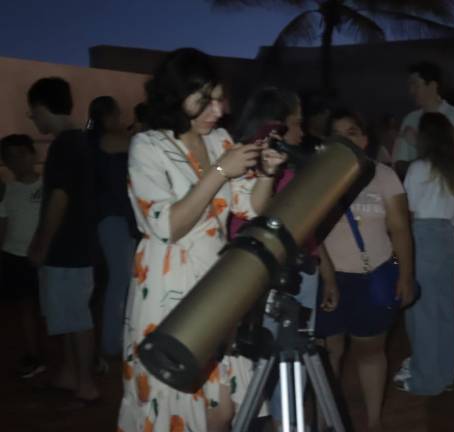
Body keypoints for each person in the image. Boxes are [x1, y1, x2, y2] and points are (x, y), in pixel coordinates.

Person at [118, 48, 277, 431]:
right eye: (204, 100)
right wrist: (220, 172)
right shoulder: (149, 146)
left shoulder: (220, 139)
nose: (218, 110)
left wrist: (268, 173)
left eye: (219, 99)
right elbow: (166, 225)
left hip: (215, 278)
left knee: (223, 407)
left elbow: (251, 207)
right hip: (167, 283)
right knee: (180, 403)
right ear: (175, 96)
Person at [229, 86, 336, 430]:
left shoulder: (293, 163)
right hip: (261, 276)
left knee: (297, 365)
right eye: (296, 122)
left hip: (301, 271)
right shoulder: (243, 165)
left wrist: (325, 272)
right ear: (275, 124)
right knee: (258, 365)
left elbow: (309, 229)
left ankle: (283, 421)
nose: (302, 129)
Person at [314, 109, 414, 429]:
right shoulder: (317, 178)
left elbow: (400, 229)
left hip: (373, 277)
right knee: (329, 354)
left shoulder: (384, 176)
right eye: (339, 133)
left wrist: (406, 275)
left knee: (370, 351)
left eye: (354, 131)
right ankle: (324, 420)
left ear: (365, 139)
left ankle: (373, 423)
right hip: (329, 278)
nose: (348, 138)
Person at [26, 77, 100, 406]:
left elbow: (59, 197)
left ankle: (86, 384)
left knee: (76, 318)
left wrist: (42, 242)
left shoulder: (64, 145)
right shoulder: (79, 142)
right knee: (70, 317)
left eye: (32, 111)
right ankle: (71, 375)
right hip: (77, 243)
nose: (33, 118)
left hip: (68, 246)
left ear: (43, 107)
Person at [394, 112, 454, 395]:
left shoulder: (419, 167)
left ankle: (425, 380)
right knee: (445, 310)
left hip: (424, 236)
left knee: (421, 313)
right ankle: (445, 373)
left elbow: (407, 213)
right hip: (448, 236)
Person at [86, 96, 137, 358]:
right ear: (108, 116)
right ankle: (112, 344)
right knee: (119, 282)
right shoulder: (105, 140)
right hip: (112, 216)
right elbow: (135, 143)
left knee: (117, 281)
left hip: (111, 217)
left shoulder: (94, 140)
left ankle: (113, 341)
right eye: (117, 115)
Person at [0, 134, 46, 378]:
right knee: (25, 307)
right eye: (10, 157)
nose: (17, 161)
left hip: (43, 256)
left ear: (33, 154)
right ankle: (33, 353)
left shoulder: (48, 187)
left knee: (49, 308)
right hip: (14, 256)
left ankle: (62, 354)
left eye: (21, 154)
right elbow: (3, 223)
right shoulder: (8, 190)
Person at [392, 62, 454, 179]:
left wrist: (418, 142)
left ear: (432, 86)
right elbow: (399, 164)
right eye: (410, 85)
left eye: (416, 85)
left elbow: (453, 161)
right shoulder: (410, 119)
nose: (411, 91)